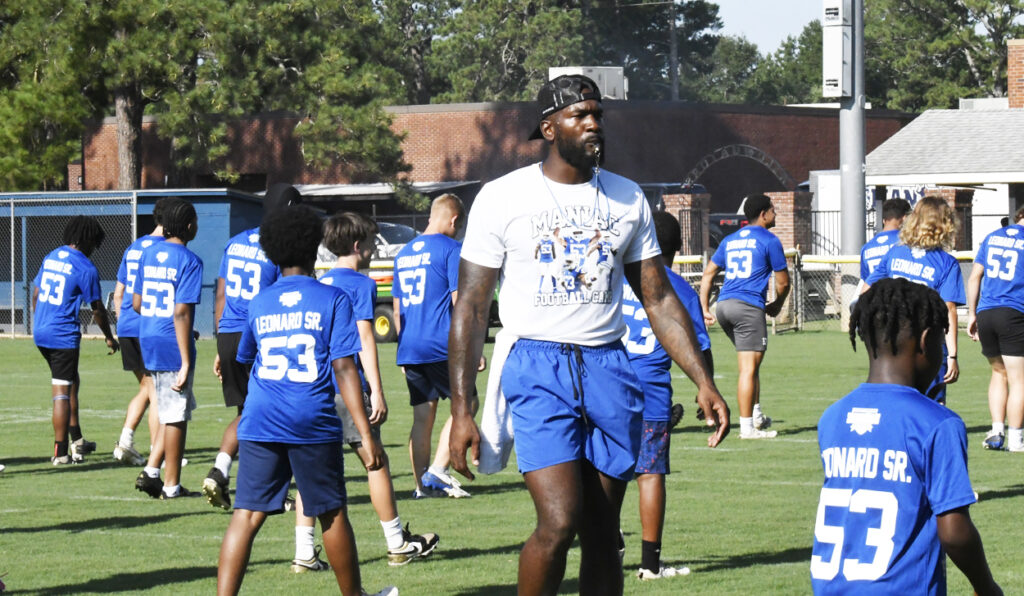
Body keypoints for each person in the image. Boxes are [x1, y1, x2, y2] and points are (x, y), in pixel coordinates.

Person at [448, 74, 729, 596]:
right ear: (549, 128)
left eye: (598, 114)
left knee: (603, 535)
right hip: (537, 365)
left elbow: (659, 299)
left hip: (609, 365)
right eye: (579, 115)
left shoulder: (627, 197)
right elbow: (470, 305)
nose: (593, 124)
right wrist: (462, 408)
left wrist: (703, 380)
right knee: (558, 522)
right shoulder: (503, 196)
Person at [215, 205, 395, 596]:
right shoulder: (332, 299)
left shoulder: (259, 302)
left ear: (272, 251)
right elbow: (344, 369)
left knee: (246, 515)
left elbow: (245, 357)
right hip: (311, 417)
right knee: (330, 512)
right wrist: (365, 434)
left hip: (261, 419)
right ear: (314, 247)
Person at [811, 278, 1001, 596]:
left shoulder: (833, 417)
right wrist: (987, 587)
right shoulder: (937, 423)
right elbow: (954, 531)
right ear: (926, 341)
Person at [321, 211, 440, 564]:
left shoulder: (321, 282)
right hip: (348, 386)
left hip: (317, 387)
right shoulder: (361, 284)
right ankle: (396, 542)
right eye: (372, 243)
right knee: (376, 462)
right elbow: (364, 338)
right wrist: (376, 389)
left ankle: (302, 552)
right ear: (358, 246)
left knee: (316, 471)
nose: (374, 249)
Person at [621, 210, 709, 581]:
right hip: (651, 391)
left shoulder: (617, 278)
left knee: (603, 470)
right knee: (650, 474)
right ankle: (649, 565)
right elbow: (699, 346)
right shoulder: (679, 289)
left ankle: (606, 546)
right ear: (677, 246)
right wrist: (706, 388)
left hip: (606, 386)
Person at [203, 183, 300, 510]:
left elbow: (221, 296)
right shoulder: (281, 247)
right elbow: (283, 298)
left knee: (248, 412)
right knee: (277, 412)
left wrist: (221, 345)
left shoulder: (235, 242)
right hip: (259, 335)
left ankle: (225, 471)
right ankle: (266, 487)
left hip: (229, 334)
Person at [393, 193, 475, 499]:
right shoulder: (451, 249)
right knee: (468, 403)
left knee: (422, 417)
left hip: (411, 345)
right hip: (441, 344)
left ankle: (421, 488)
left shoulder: (403, 254)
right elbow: (459, 301)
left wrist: (403, 349)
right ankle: (438, 470)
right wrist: (470, 345)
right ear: (454, 220)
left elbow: (398, 308)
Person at [699, 194, 789, 439]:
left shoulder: (729, 240)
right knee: (748, 368)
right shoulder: (769, 240)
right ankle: (747, 428)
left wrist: (705, 307)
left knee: (752, 364)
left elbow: (708, 274)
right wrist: (777, 305)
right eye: (773, 210)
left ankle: (756, 415)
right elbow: (783, 283)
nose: (775, 214)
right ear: (763, 214)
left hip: (724, 306)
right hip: (747, 307)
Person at [32, 215, 119, 464]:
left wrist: (41, 321)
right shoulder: (85, 268)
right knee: (62, 391)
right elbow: (97, 309)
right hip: (62, 336)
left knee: (72, 381)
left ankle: (77, 439)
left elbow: (36, 293)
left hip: (41, 331)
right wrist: (109, 337)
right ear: (85, 240)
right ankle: (61, 453)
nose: (94, 249)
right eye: (94, 244)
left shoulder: (51, 256)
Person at [133, 199, 203, 499]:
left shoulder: (148, 254)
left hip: (148, 336)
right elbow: (181, 313)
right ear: (188, 226)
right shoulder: (190, 260)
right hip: (171, 342)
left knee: (167, 408)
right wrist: (185, 360)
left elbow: (137, 303)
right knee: (176, 415)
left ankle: (151, 472)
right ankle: (171, 485)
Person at [865, 196, 965, 404]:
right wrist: (952, 356)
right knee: (932, 405)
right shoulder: (946, 263)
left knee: (895, 400)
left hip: (892, 341)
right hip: (927, 344)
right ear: (945, 225)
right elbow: (949, 309)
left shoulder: (895, 253)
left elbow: (866, 292)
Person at [111, 199, 169, 465]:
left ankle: (125, 442)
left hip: (126, 325)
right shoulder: (166, 249)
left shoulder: (133, 247)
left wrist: (123, 323)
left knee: (147, 387)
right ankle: (159, 453)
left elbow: (118, 292)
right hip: (150, 326)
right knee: (156, 390)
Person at [967, 206, 1024, 452]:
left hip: (986, 313)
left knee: (998, 372)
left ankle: (997, 431)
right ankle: (1016, 439)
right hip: (1013, 313)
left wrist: (972, 313)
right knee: (1019, 380)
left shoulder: (992, 237)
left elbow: (974, 277)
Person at [859, 198, 912, 286]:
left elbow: (866, 280)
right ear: (905, 218)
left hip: (875, 293)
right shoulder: (905, 242)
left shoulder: (866, 247)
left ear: (884, 220)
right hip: (897, 292)